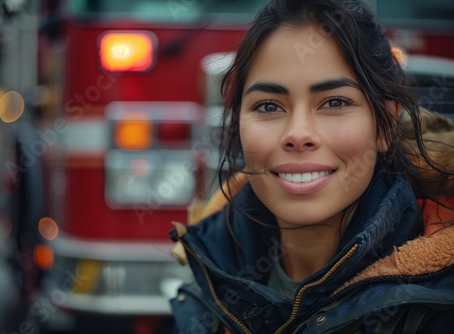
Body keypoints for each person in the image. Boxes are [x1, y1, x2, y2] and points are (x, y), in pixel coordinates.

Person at [169, 0, 454, 333]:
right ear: (238, 127)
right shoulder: (207, 286)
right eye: (268, 106)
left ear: (386, 126)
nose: (298, 134)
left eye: (334, 102)